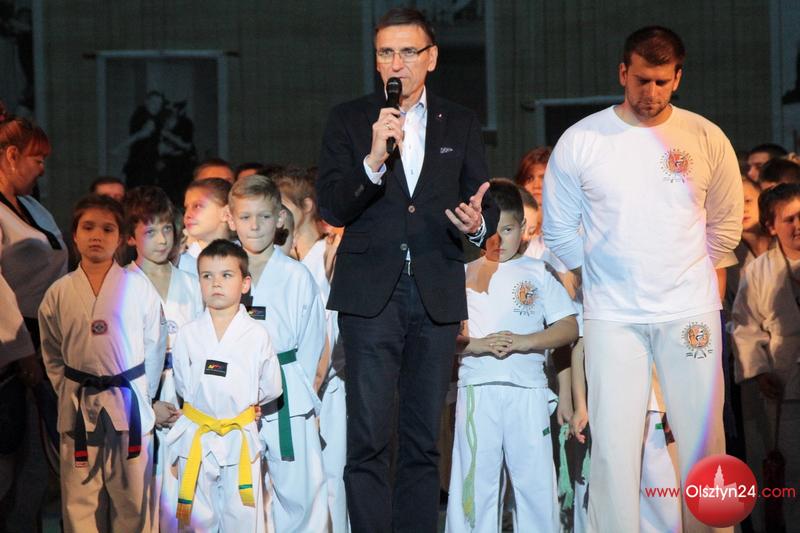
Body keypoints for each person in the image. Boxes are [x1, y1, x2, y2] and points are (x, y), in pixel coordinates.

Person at [542, 26, 742, 532]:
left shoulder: (705, 137)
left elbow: (726, 226)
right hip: (613, 315)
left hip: (689, 311)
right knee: (614, 446)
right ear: (622, 73)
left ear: (678, 78)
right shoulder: (583, 139)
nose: (650, 93)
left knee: (704, 441)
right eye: (640, 80)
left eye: (661, 82)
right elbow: (559, 230)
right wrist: (602, 276)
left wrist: (683, 271)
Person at [316, 7, 498, 531]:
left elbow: (482, 203)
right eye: (385, 53)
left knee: (422, 439)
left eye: (407, 52)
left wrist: (477, 226)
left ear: (431, 58)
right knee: (369, 437)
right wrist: (373, 160)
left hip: (435, 291)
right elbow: (332, 206)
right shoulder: (350, 120)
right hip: (370, 296)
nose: (396, 63)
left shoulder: (460, 122)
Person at [445, 179, 578, 533]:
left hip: (528, 391)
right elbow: (446, 339)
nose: (499, 239)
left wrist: (525, 342)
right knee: (476, 486)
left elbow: (568, 327)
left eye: (508, 229)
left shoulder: (539, 272)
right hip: (478, 391)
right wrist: (478, 345)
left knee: (535, 486)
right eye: (492, 230)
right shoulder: (465, 274)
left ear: (523, 227)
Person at [38, 194, 167, 532]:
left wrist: (143, 392)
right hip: (78, 402)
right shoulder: (59, 292)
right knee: (79, 501)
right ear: (74, 235)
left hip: (129, 402)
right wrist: (68, 389)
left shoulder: (138, 288)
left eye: (107, 229)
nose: (97, 236)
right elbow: (51, 352)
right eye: (88, 227)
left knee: (133, 500)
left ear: (121, 237)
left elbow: (155, 345)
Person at [227, 174, 328, 532]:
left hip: (289, 398)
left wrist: (300, 390)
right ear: (231, 219)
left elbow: (312, 343)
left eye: (264, 216)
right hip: (233, 399)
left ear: (280, 218)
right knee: (240, 498)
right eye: (245, 217)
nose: (255, 226)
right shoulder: (222, 271)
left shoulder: (297, 276)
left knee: (300, 496)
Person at [166, 239, 282, 532]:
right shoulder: (188, 334)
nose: (216, 283)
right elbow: (182, 383)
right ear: (199, 282)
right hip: (197, 435)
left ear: (245, 284)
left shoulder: (257, 335)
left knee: (243, 519)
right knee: (196, 521)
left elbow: (271, 386)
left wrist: (249, 405)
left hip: (239, 437)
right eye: (207, 276)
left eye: (226, 275)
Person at [0, 102, 66, 532]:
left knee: (37, 469)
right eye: (36, 159)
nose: (42, 169)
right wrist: (22, 351)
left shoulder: (32, 208)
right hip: (11, 348)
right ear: (11, 156)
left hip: (45, 341)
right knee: (9, 464)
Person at [123, 186, 203, 531]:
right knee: (144, 501)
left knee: (189, 497)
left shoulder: (193, 284)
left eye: (167, 229)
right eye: (150, 231)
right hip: (140, 399)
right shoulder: (121, 285)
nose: (161, 239)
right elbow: (117, 361)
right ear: (131, 237)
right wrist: (147, 406)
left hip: (188, 399)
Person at [275, 166, 349, 532]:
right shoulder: (284, 259)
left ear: (306, 207)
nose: (277, 215)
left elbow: (329, 329)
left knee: (332, 478)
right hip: (291, 387)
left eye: (283, 206)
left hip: (329, 386)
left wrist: (315, 389)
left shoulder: (328, 253)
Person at [732, 183, 800, 532]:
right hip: (781, 386)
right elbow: (744, 327)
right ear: (771, 226)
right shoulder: (759, 271)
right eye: (789, 219)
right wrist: (759, 372)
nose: (798, 226)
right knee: (785, 471)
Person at [178, 177, 232, 274]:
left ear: (226, 213)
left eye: (197, 206)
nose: (187, 215)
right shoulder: (178, 262)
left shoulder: (246, 257)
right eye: (186, 208)